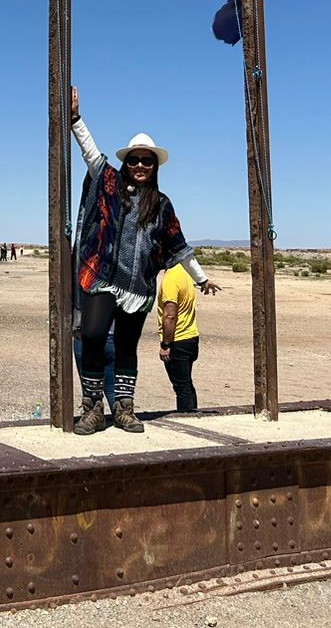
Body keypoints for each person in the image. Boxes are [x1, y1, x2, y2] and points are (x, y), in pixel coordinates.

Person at [69, 86, 219, 435]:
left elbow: (179, 246)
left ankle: (124, 409)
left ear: (154, 167)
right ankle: (91, 408)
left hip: (137, 288)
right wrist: (76, 118)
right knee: (91, 335)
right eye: (134, 160)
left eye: (146, 161)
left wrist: (201, 279)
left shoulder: (162, 204)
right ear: (126, 163)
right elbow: (92, 155)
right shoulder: (109, 184)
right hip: (103, 276)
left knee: (125, 346)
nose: (139, 165)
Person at [157, 260, 203, 413]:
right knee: (186, 384)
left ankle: (187, 418)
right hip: (190, 338)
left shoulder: (171, 279)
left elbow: (170, 315)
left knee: (181, 387)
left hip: (178, 339)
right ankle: (193, 414)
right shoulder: (184, 273)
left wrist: (166, 345)